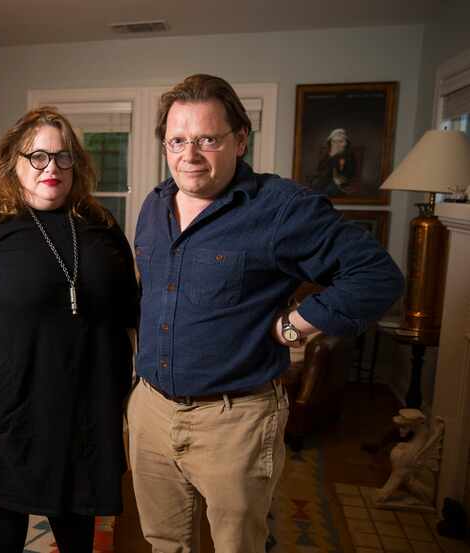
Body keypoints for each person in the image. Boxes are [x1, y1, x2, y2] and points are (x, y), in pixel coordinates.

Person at [128, 74, 403, 553]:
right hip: (150, 410)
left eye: (207, 139)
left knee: (240, 545)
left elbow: (377, 276)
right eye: (177, 140)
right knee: (165, 543)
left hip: (235, 421)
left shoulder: (281, 209)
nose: (188, 155)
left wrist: (294, 327)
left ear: (239, 140)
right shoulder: (154, 206)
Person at [0, 107, 139, 553]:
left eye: (63, 158)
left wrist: (128, 377)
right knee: (6, 508)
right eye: (37, 156)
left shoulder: (100, 224)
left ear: (76, 165)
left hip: (87, 402)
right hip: (12, 404)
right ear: (13, 162)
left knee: (77, 510)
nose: (51, 168)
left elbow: (129, 308)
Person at [310, 128, 358, 196]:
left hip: (339, 183)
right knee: (315, 185)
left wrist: (340, 165)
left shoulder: (348, 155)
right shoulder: (327, 155)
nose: (337, 144)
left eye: (340, 141)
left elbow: (350, 173)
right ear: (331, 143)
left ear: (345, 143)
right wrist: (331, 157)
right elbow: (319, 169)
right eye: (334, 142)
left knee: (329, 190)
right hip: (324, 180)